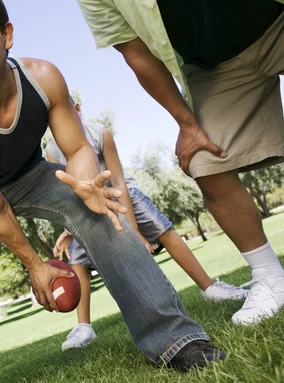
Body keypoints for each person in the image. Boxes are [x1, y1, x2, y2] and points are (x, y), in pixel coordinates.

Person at [0, 0, 224, 381]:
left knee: (104, 214)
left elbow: (78, 147)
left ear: (6, 34)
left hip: (34, 174)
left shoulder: (42, 78)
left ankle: (175, 339)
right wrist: (35, 265)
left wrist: (86, 185)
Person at [68, 0, 284, 326]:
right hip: (215, 67)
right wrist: (187, 124)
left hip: (276, 17)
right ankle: (271, 277)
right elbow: (136, 53)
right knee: (205, 165)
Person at [45, 97, 248, 351]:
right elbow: (69, 196)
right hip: (88, 206)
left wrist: (135, 230)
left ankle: (210, 287)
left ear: (77, 110)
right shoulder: (52, 152)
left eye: (69, 110)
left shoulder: (99, 133)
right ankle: (83, 326)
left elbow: (117, 180)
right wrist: (68, 230)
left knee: (165, 232)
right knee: (77, 259)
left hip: (123, 194)